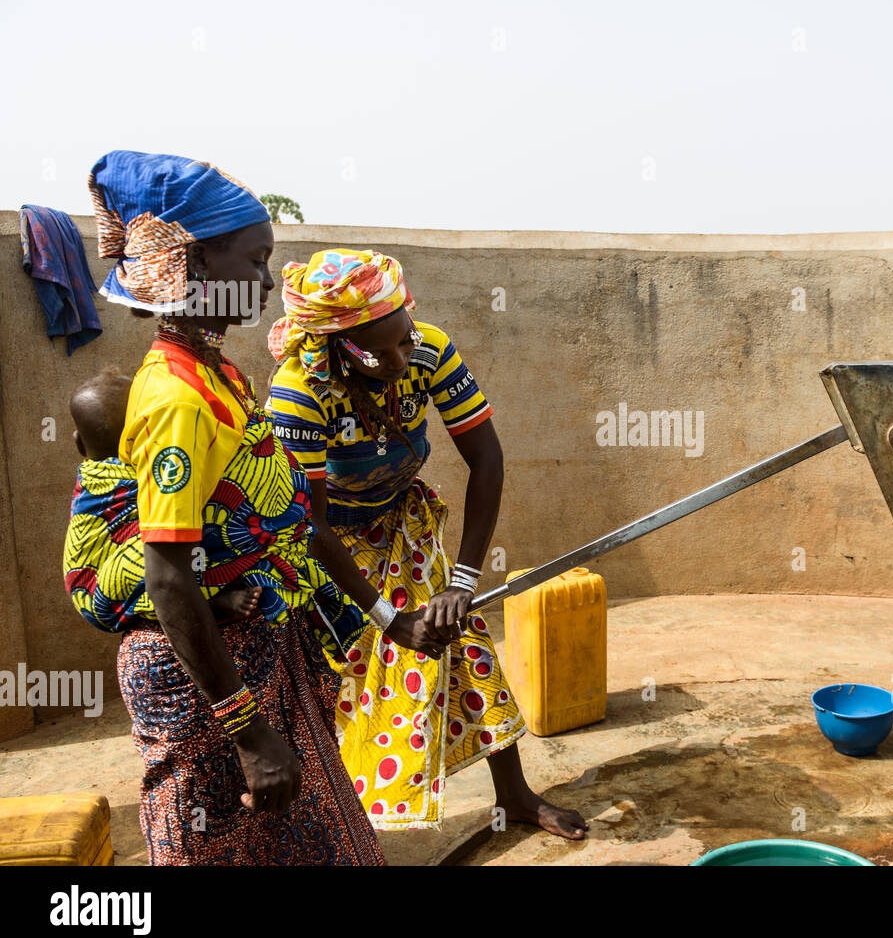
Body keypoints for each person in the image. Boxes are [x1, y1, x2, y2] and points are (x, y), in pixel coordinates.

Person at [83, 151, 393, 864]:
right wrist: (248, 731)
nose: (262, 281)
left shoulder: (217, 373)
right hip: (209, 689)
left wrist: (382, 615)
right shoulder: (177, 400)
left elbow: (283, 517)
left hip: (252, 657)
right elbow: (168, 576)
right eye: (253, 261)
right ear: (192, 260)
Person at [267, 248, 588, 838]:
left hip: (400, 519)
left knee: (460, 639)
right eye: (376, 351)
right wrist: (388, 618)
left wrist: (461, 581)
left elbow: (485, 458)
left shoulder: (431, 349)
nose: (397, 359)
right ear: (336, 345)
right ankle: (338, 824)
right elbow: (308, 526)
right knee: (353, 675)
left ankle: (514, 795)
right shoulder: (297, 394)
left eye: (403, 340)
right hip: (332, 546)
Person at [64, 368, 261, 629]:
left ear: (79, 445)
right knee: (168, 540)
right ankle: (211, 603)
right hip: (99, 589)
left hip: (91, 583)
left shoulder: (93, 476)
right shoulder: (122, 477)